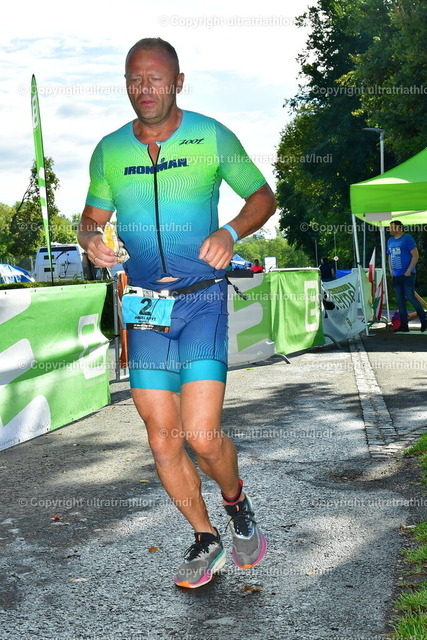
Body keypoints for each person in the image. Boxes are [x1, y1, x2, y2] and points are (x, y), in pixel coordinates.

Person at [78, 38, 276, 589]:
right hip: (145, 305)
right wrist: (90, 240)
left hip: (202, 299)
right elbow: (90, 220)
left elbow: (263, 197)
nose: (144, 89)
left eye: (156, 78)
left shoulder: (211, 136)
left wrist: (230, 232)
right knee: (162, 437)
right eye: (134, 79)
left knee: (202, 436)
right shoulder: (109, 150)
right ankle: (205, 538)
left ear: (178, 82)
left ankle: (235, 503)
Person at [387, 220, 427, 333]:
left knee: (410, 296)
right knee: (400, 301)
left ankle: (424, 320)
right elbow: (389, 256)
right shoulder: (390, 241)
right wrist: (391, 270)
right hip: (396, 275)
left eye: (392, 227)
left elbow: (415, 255)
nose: (389, 229)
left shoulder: (407, 238)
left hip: (407, 274)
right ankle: (404, 326)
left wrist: (409, 270)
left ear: (398, 228)